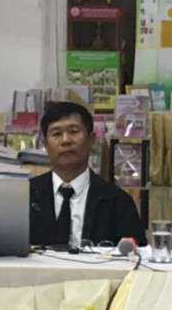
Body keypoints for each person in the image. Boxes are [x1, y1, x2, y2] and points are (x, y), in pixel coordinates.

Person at [28, 101, 145, 248]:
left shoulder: (118, 201)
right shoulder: (26, 196)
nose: (66, 140)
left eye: (74, 131)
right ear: (45, 144)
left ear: (91, 140)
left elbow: (135, 255)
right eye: (56, 134)